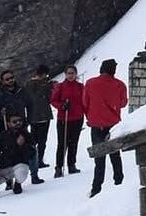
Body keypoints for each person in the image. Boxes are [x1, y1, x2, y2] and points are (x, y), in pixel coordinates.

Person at [0, 69, 43, 185]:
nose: (10, 80)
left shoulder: (21, 91)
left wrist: (29, 120)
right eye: (7, 79)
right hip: (6, 128)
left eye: (11, 78)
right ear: (2, 81)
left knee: (31, 148)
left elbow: (30, 105)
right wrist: (0, 113)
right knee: (8, 153)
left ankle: (34, 174)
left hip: (21, 126)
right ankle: (9, 180)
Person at [83, 59, 127, 198]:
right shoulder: (119, 85)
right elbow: (123, 103)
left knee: (99, 158)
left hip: (96, 125)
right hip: (113, 125)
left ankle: (96, 188)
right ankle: (119, 183)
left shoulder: (90, 83)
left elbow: (85, 102)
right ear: (113, 70)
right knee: (115, 155)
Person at [0, 112, 35, 200]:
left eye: (19, 121)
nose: (18, 123)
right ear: (8, 123)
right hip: (4, 168)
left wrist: (22, 145)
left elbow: (32, 153)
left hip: (20, 165)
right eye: (14, 122)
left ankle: (17, 184)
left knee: (20, 175)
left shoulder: (26, 135)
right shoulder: (2, 136)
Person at [49, 64, 85, 178]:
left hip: (77, 118)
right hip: (64, 118)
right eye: (68, 73)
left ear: (76, 74)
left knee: (73, 143)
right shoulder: (60, 86)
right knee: (62, 144)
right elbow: (53, 100)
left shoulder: (81, 87)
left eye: (72, 73)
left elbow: (84, 101)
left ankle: (71, 164)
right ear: (65, 74)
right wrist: (62, 105)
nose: (70, 75)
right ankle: (59, 167)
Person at [25, 64, 54, 169]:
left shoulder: (30, 84)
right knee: (38, 141)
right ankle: (35, 160)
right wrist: (48, 86)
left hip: (38, 116)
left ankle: (36, 160)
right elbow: (39, 96)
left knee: (38, 141)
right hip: (39, 115)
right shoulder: (33, 84)